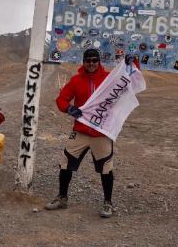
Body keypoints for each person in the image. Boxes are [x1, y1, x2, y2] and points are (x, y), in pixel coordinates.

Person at [45, 49, 136, 218]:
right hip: (80, 130)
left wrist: (132, 63)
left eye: (95, 60)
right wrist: (69, 108)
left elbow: (129, 78)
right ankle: (62, 197)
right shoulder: (76, 80)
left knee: (106, 169)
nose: (91, 63)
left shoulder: (109, 79)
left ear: (99, 61)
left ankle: (108, 203)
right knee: (65, 164)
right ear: (84, 62)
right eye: (88, 60)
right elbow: (61, 99)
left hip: (101, 133)